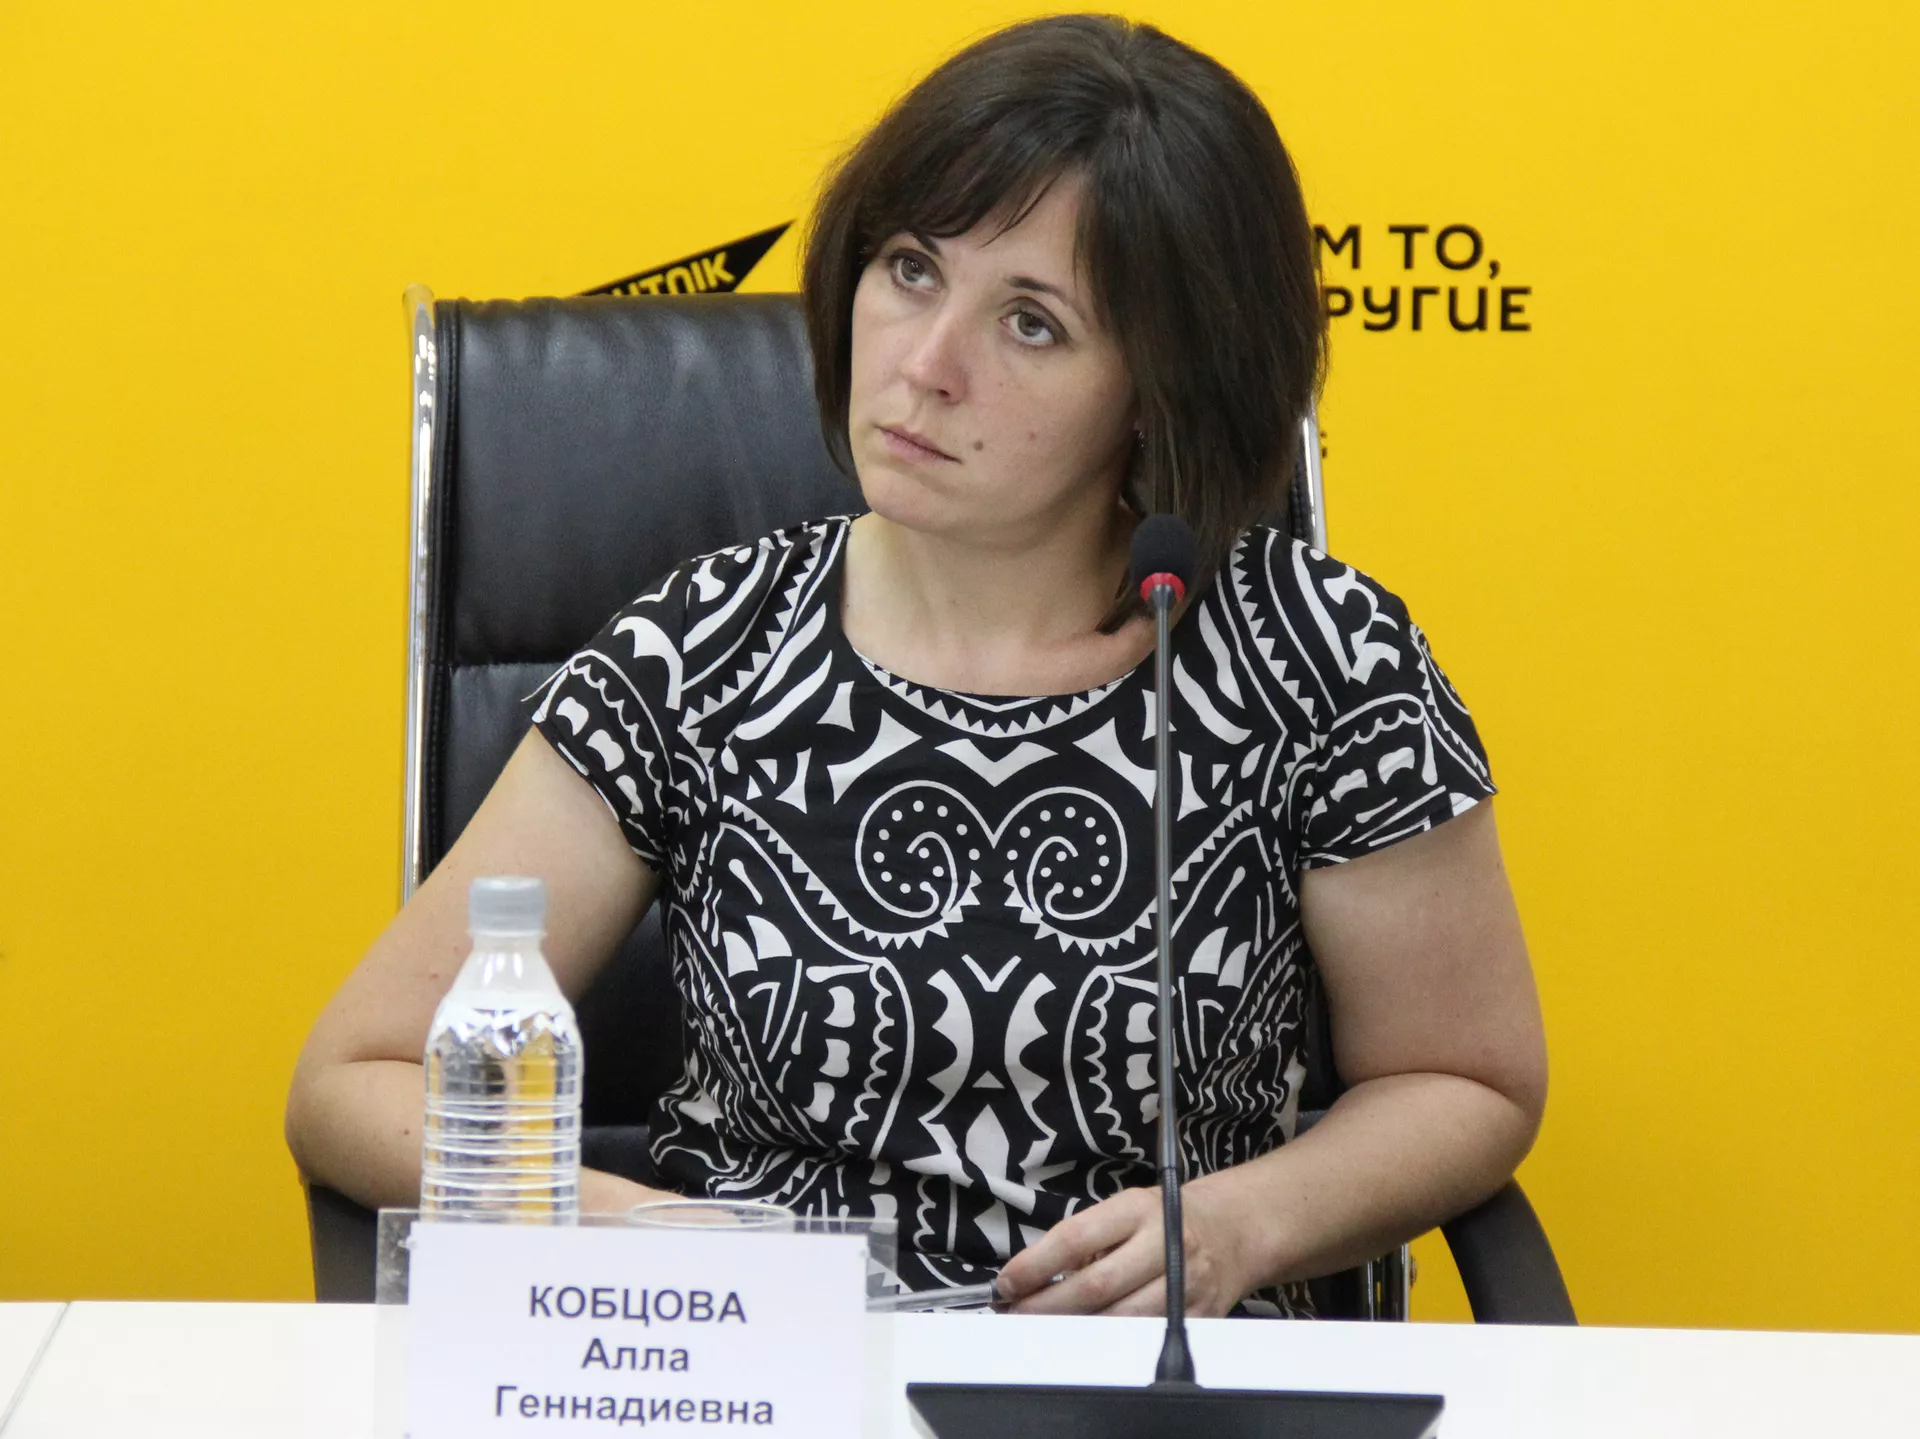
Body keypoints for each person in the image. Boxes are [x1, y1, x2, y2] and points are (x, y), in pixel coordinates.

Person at [286, 13, 1545, 1318]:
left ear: (1161, 393)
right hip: (761, 1366)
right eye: (910, 269)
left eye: (1033, 325)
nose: (927, 366)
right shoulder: (705, 647)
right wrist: (644, 1230)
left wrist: (1246, 1220)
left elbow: (1464, 1079)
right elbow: (356, 1080)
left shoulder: (1319, 657)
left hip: (1156, 1373)